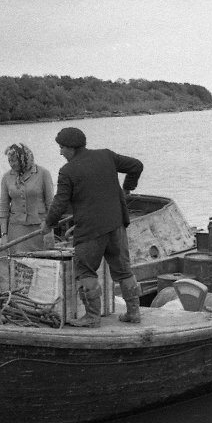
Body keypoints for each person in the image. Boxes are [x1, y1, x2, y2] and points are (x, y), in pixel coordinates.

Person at [41, 127, 144, 327]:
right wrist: (128, 188)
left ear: (71, 148)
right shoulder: (107, 156)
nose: (60, 152)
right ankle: (134, 313)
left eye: (61, 147)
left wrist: (48, 224)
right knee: (124, 271)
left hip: (90, 231)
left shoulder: (68, 171)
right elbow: (136, 166)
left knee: (85, 270)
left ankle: (92, 317)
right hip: (116, 226)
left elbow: (60, 203)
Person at [0, 143, 55, 253]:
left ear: (24, 158)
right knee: (19, 265)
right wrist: (4, 234)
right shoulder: (6, 177)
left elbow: (51, 204)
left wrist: (49, 231)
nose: (12, 164)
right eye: (9, 161)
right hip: (17, 230)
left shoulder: (43, 173)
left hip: (40, 228)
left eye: (14, 160)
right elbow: (3, 208)